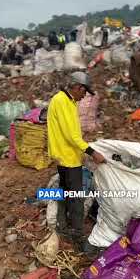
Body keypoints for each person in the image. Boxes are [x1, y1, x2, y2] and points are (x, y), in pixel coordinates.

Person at [47, 72, 105, 250]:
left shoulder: (65, 100)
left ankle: (62, 226)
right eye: (84, 92)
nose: (84, 96)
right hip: (68, 158)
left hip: (64, 156)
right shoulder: (63, 101)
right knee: (77, 197)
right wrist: (91, 151)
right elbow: (71, 136)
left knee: (65, 192)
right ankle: (78, 235)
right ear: (78, 87)